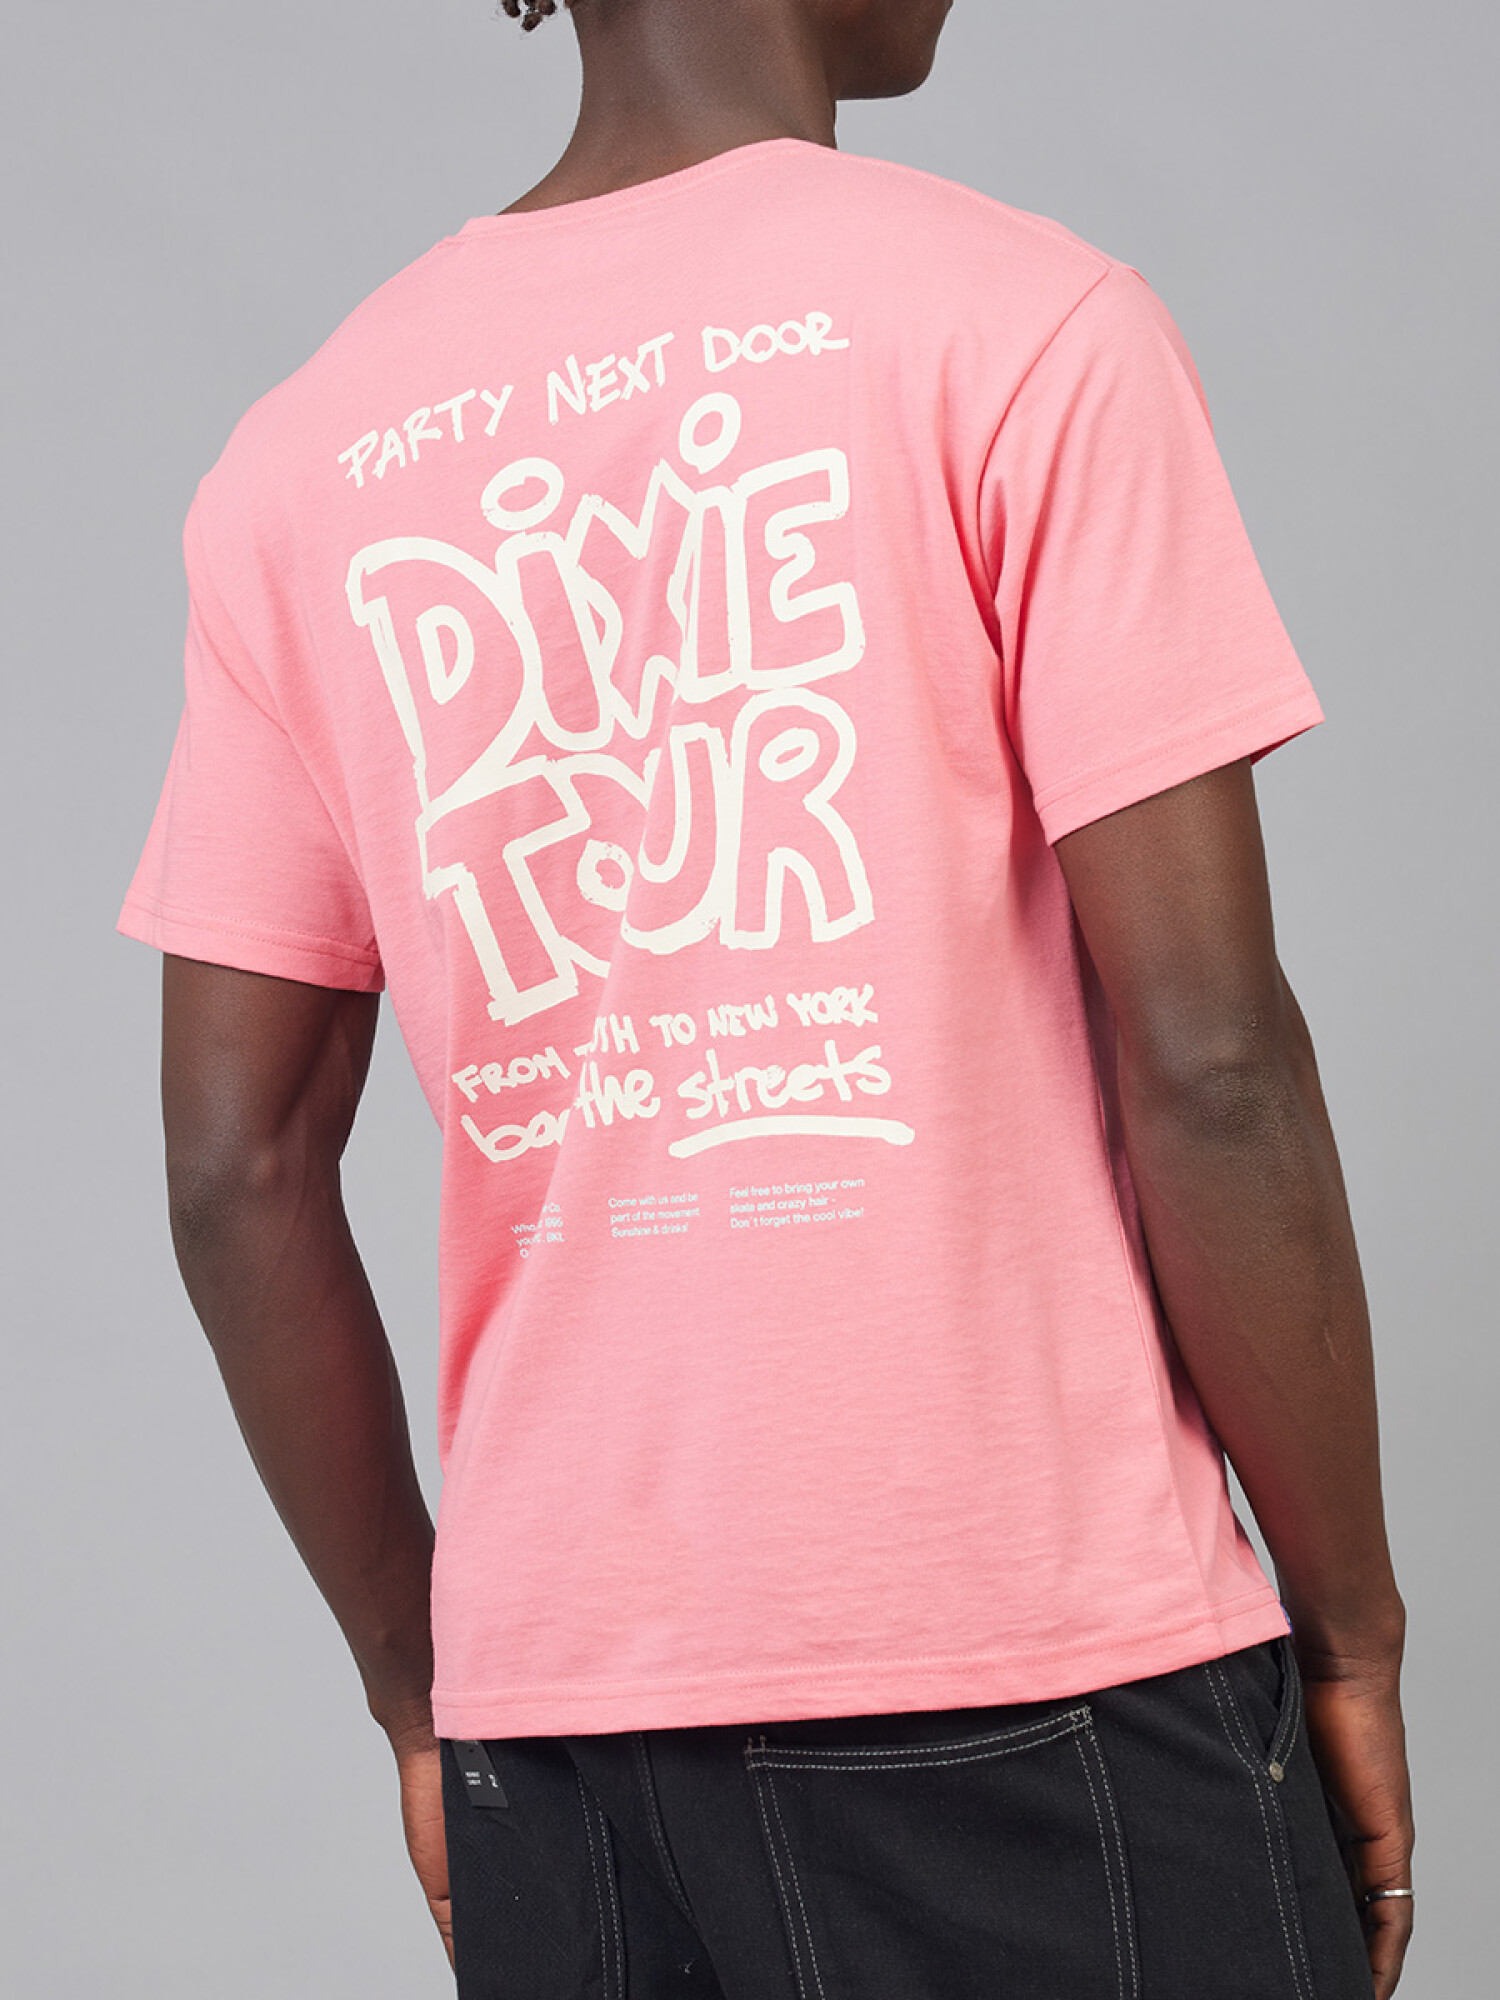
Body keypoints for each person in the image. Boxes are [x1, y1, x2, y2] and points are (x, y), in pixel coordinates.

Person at [117, 0, 1415, 1993]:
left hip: (566, 1733)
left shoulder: (299, 461)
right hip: (1041, 1667)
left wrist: (420, 1686)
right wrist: (1352, 1631)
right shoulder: (1025, 327)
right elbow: (1215, 1063)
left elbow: (235, 1169)